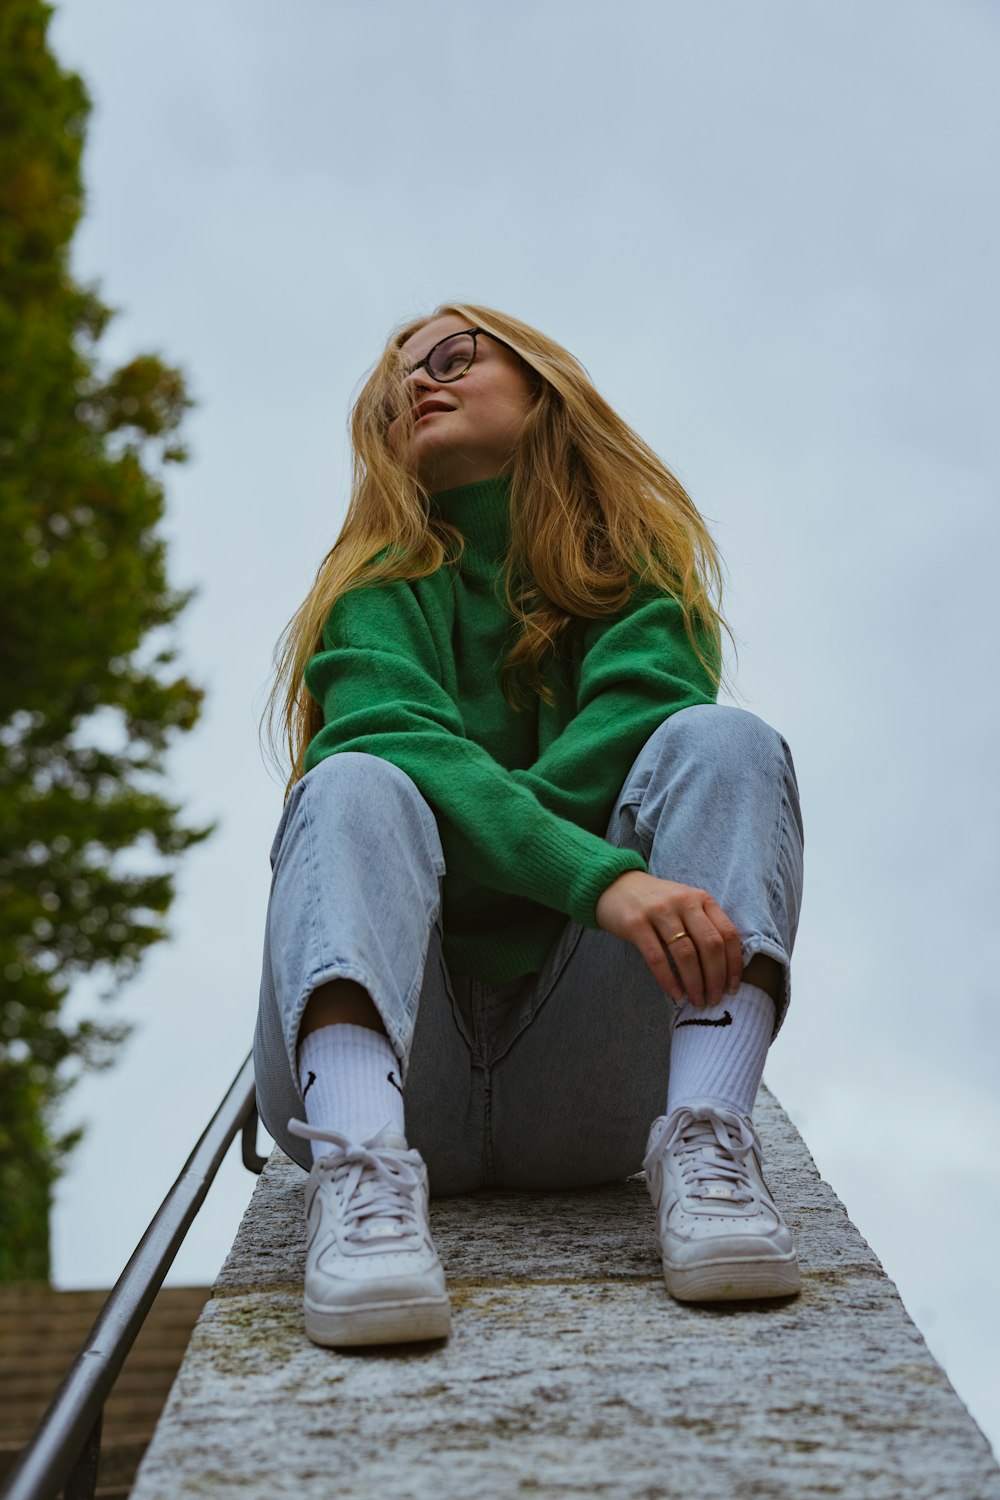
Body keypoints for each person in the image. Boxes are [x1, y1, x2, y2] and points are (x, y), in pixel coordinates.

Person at [255, 304, 804, 1348]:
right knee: (356, 782)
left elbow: (632, 731)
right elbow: (393, 744)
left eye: (452, 357)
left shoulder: (642, 583)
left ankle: (709, 1143)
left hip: (588, 1089)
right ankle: (360, 1183)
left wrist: (484, 836)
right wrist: (601, 875)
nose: (417, 384)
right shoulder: (370, 593)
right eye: (390, 391)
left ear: (542, 382)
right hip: (406, 1072)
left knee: (725, 744)